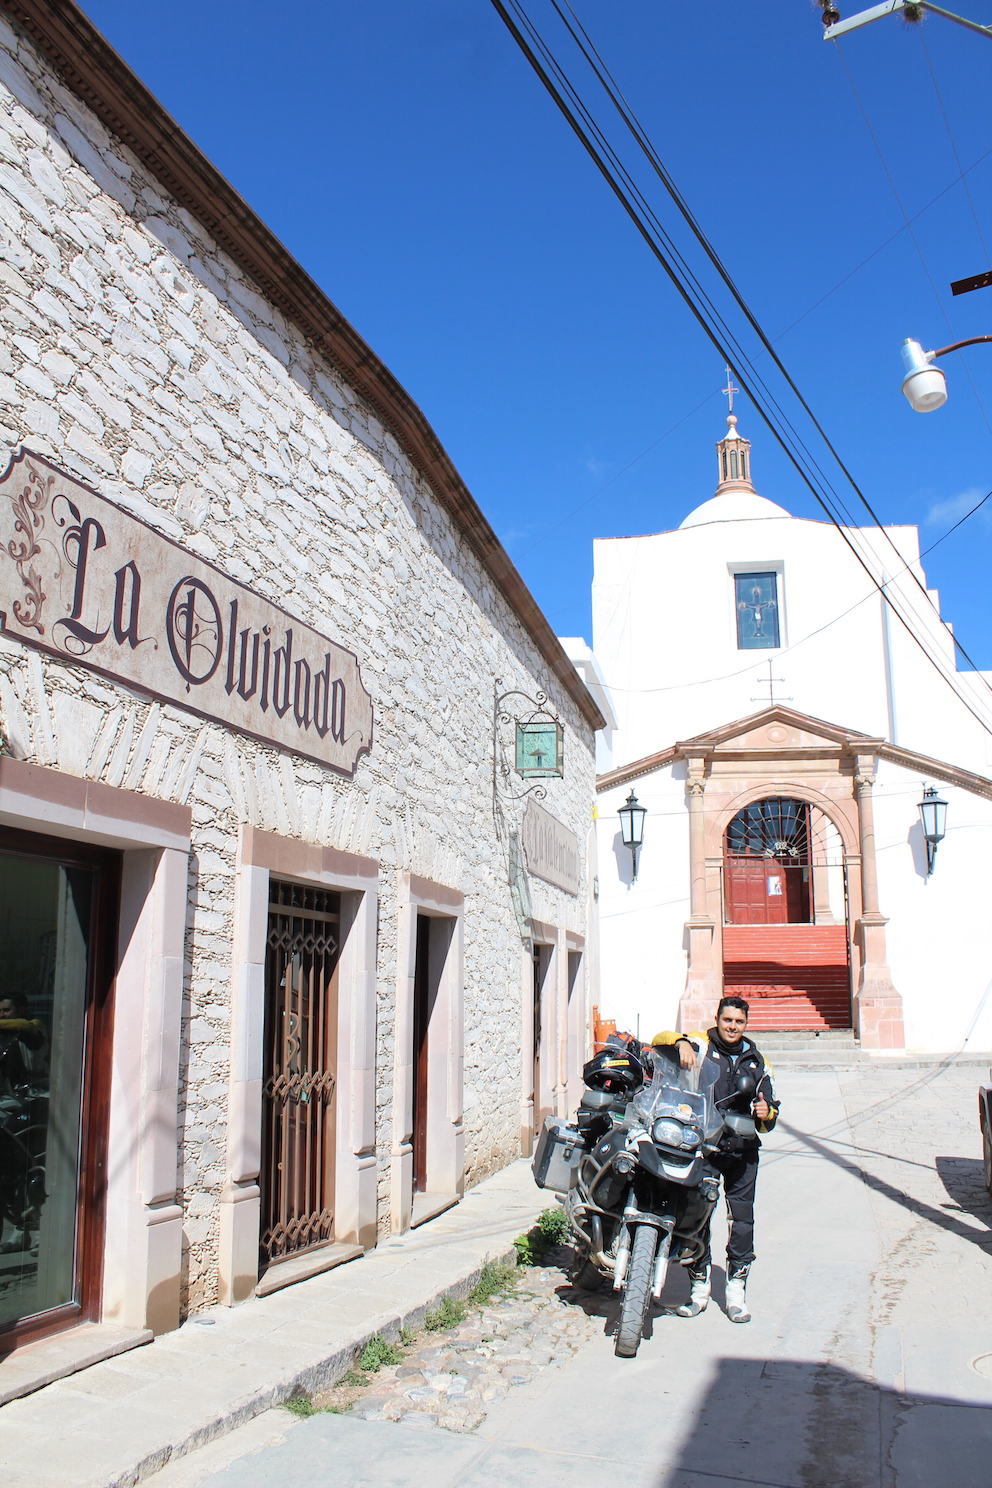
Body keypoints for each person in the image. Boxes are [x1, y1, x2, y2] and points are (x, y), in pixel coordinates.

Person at [663, 996, 779, 1324]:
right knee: (695, 1218)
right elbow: (661, 1040)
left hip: (743, 1152)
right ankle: (698, 1290)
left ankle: (736, 1294)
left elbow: (770, 1118)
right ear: (717, 1019)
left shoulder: (758, 1061)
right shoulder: (700, 1044)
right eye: (727, 1020)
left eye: (739, 1022)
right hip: (706, 1148)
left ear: (746, 1024)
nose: (732, 1027)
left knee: (741, 1223)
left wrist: (765, 1112)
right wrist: (680, 1042)